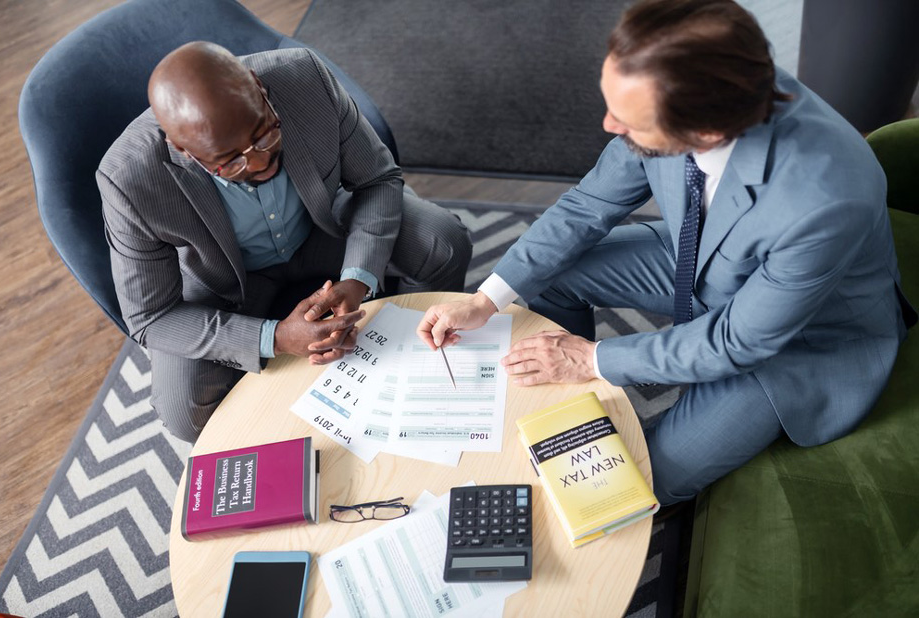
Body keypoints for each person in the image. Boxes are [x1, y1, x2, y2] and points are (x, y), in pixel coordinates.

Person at [417, 0, 916, 505]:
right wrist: (486, 300)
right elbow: (589, 204)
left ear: (706, 134)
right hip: (703, 256)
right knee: (547, 279)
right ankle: (566, 406)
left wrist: (592, 358)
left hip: (798, 346)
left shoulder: (827, 197)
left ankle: (589, 391)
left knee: (631, 482)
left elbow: (735, 341)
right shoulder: (686, 80)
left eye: (630, 121)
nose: (611, 125)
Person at [99, 42, 471, 443]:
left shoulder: (305, 79)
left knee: (442, 242)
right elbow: (151, 317)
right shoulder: (129, 179)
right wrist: (274, 338)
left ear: (261, 89)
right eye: (231, 162)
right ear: (183, 151)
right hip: (227, 285)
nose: (259, 163)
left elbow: (377, 178)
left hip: (322, 230)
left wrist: (358, 278)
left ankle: (417, 359)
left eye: (265, 135)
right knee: (182, 410)